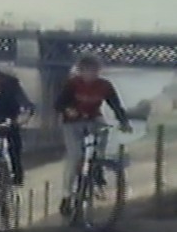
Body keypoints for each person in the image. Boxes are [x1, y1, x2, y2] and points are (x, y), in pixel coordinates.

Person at [54, 53, 133, 216]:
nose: (91, 75)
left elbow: (115, 105)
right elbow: (58, 103)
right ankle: (67, 196)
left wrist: (124, 122)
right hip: (72, 122)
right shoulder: (72, 84)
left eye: (95, 71)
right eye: (88, 72)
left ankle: (97, 166)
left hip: (92, 118)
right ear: (80, 71)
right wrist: (69, 109)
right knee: (75, 156)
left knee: (103, 129)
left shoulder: (105, 85)